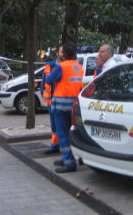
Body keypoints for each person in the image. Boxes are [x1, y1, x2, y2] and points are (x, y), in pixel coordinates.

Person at [46, 42, 84, 173]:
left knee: (62, 135)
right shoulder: (79, 67)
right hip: (73, 106)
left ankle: (69, 163)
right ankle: (68, 157)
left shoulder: (61, 67)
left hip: (60, 108)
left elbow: (48, 80)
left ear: (65, 54)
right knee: (70, 134)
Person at [41, 45, 64, 154]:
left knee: (61, 125)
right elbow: (45, 80)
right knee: (54, 125)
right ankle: (55, 145)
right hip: (52, 100)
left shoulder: (65, 66)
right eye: (61, 52)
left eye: (64, 52)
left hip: (62, 100)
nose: (63, 54)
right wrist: (43, 93)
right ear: (57, 54)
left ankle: (62, 146)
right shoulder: (49, 66)